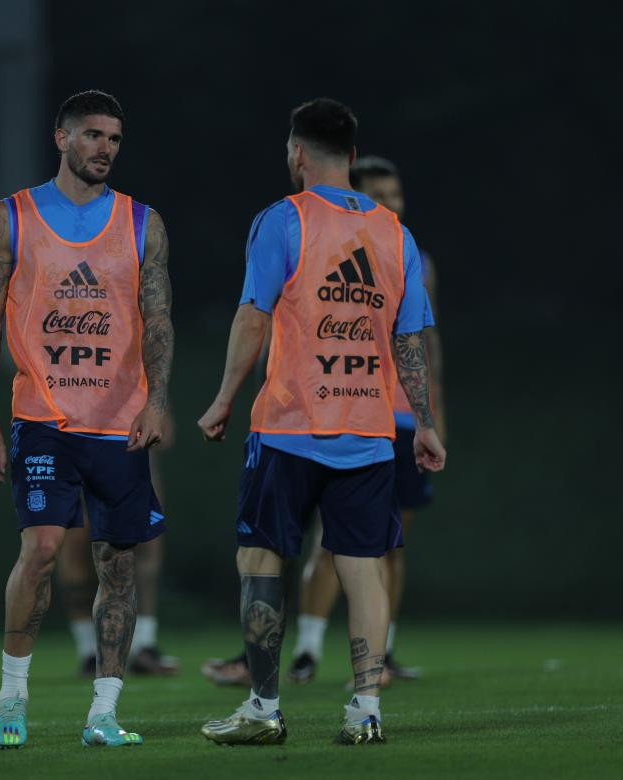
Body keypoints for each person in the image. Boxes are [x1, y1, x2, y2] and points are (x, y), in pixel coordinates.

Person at [196, 98, 445, 746]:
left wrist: (223, 398)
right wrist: (423, 421)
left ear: (297, 155)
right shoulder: (396, 233)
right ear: (355, 158)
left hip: (288, 425)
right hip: (366, 431)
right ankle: (365, 710)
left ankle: (263, 706)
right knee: (363, 565)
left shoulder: (282, 220)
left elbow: (254, 315)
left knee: (261, 557)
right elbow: (410, 339)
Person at [0, 90, 174, 749]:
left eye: (114, 138)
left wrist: (157, 399)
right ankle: (11, 698)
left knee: (120, 562)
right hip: (43, 416)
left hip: (119, 422)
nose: (105, 148)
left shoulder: (144, 223)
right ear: (61, 138)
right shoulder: (12, 219)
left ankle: (104, 712)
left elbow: (159, 318)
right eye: (92, 135)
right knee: (44, 547)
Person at [289, 155, 446, 686]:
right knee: (332, 540)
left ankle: (386, 651)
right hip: (349, 408)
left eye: (396, 195)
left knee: (393, 544)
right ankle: (307, 651)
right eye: (379, 195)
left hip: (403, 419)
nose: (391, 205)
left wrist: (433, 412)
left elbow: (426, 339)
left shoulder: (413, 256)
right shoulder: (328, 247)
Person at [58, 418, 179, 678]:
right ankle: (89, 651)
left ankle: (143, 645)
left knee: (146, 544)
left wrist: (159, 409)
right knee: (78, 548)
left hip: (128, 436)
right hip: (77, 433)